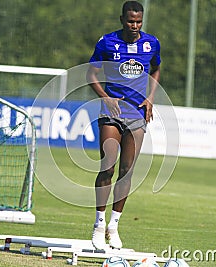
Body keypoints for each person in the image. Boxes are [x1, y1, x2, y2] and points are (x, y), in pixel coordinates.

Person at [86, 1, 161, 250]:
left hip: (137, 114)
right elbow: (91, 74)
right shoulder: (107, 42)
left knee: (127, 171)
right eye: (131, 21)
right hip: (111, 112)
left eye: (139, 21)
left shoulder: (151, 43)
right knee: (107, 166)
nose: (135, 26)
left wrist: (150, 97)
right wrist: (105, 97)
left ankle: (114, 228)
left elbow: (156, 68)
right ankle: (98, 225)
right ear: (122, 19)